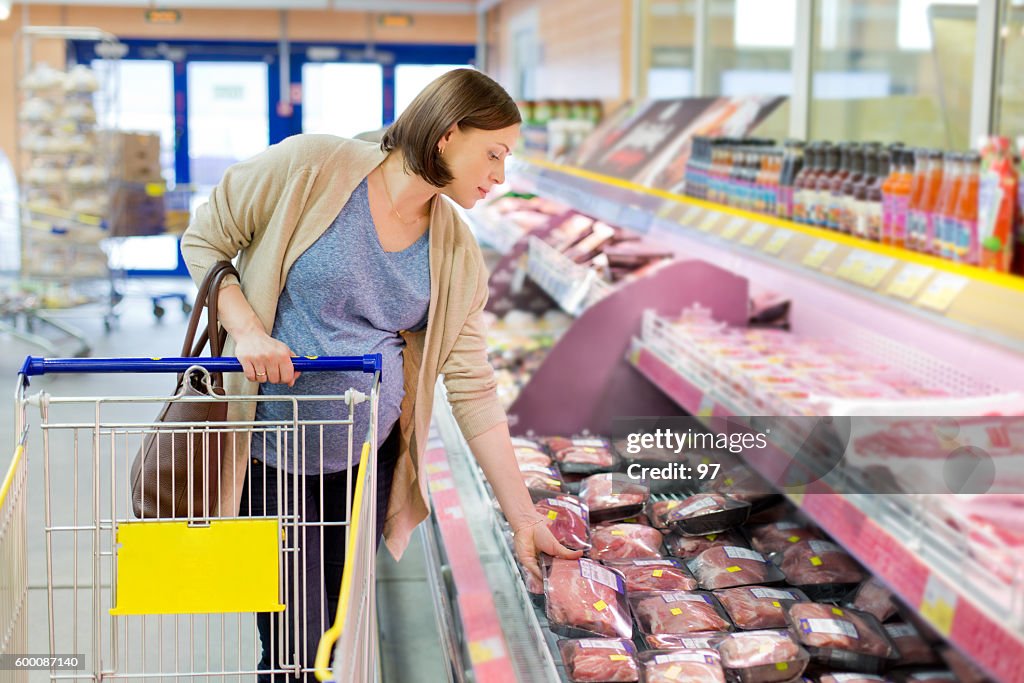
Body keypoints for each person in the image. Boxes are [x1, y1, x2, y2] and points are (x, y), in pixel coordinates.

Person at [179, 68, 580, 680]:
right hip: (273, 453)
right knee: (290, 643)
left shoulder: (455, 248)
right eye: (494, 154)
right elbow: (205, 240)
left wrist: (525, 519)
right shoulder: (312, 166)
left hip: (369, 463)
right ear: (447, 135)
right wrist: (248, 330)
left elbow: (471, 385)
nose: (501, 176)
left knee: (334, 635)